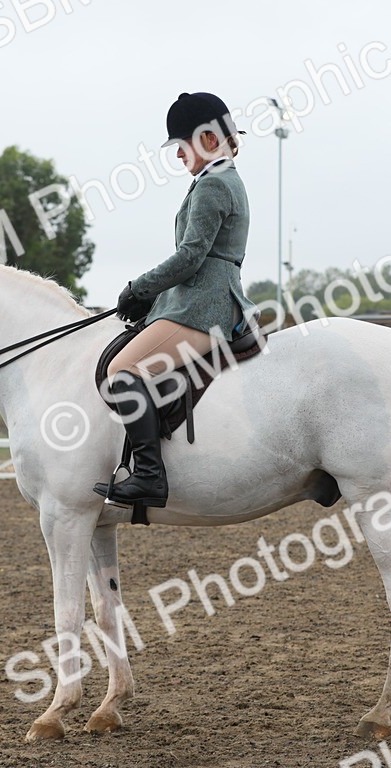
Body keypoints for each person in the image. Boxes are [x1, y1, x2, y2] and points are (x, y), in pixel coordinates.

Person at [94, 92, 256, 508]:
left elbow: (189, 257)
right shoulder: (220, 179)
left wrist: (140, 288)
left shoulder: (214, 185)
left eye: (182, 145)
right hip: (197, 300)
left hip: (203, 307)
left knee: (120, 369)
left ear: (208, 139)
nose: (178, 154)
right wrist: (151, 300)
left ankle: (149, 475)